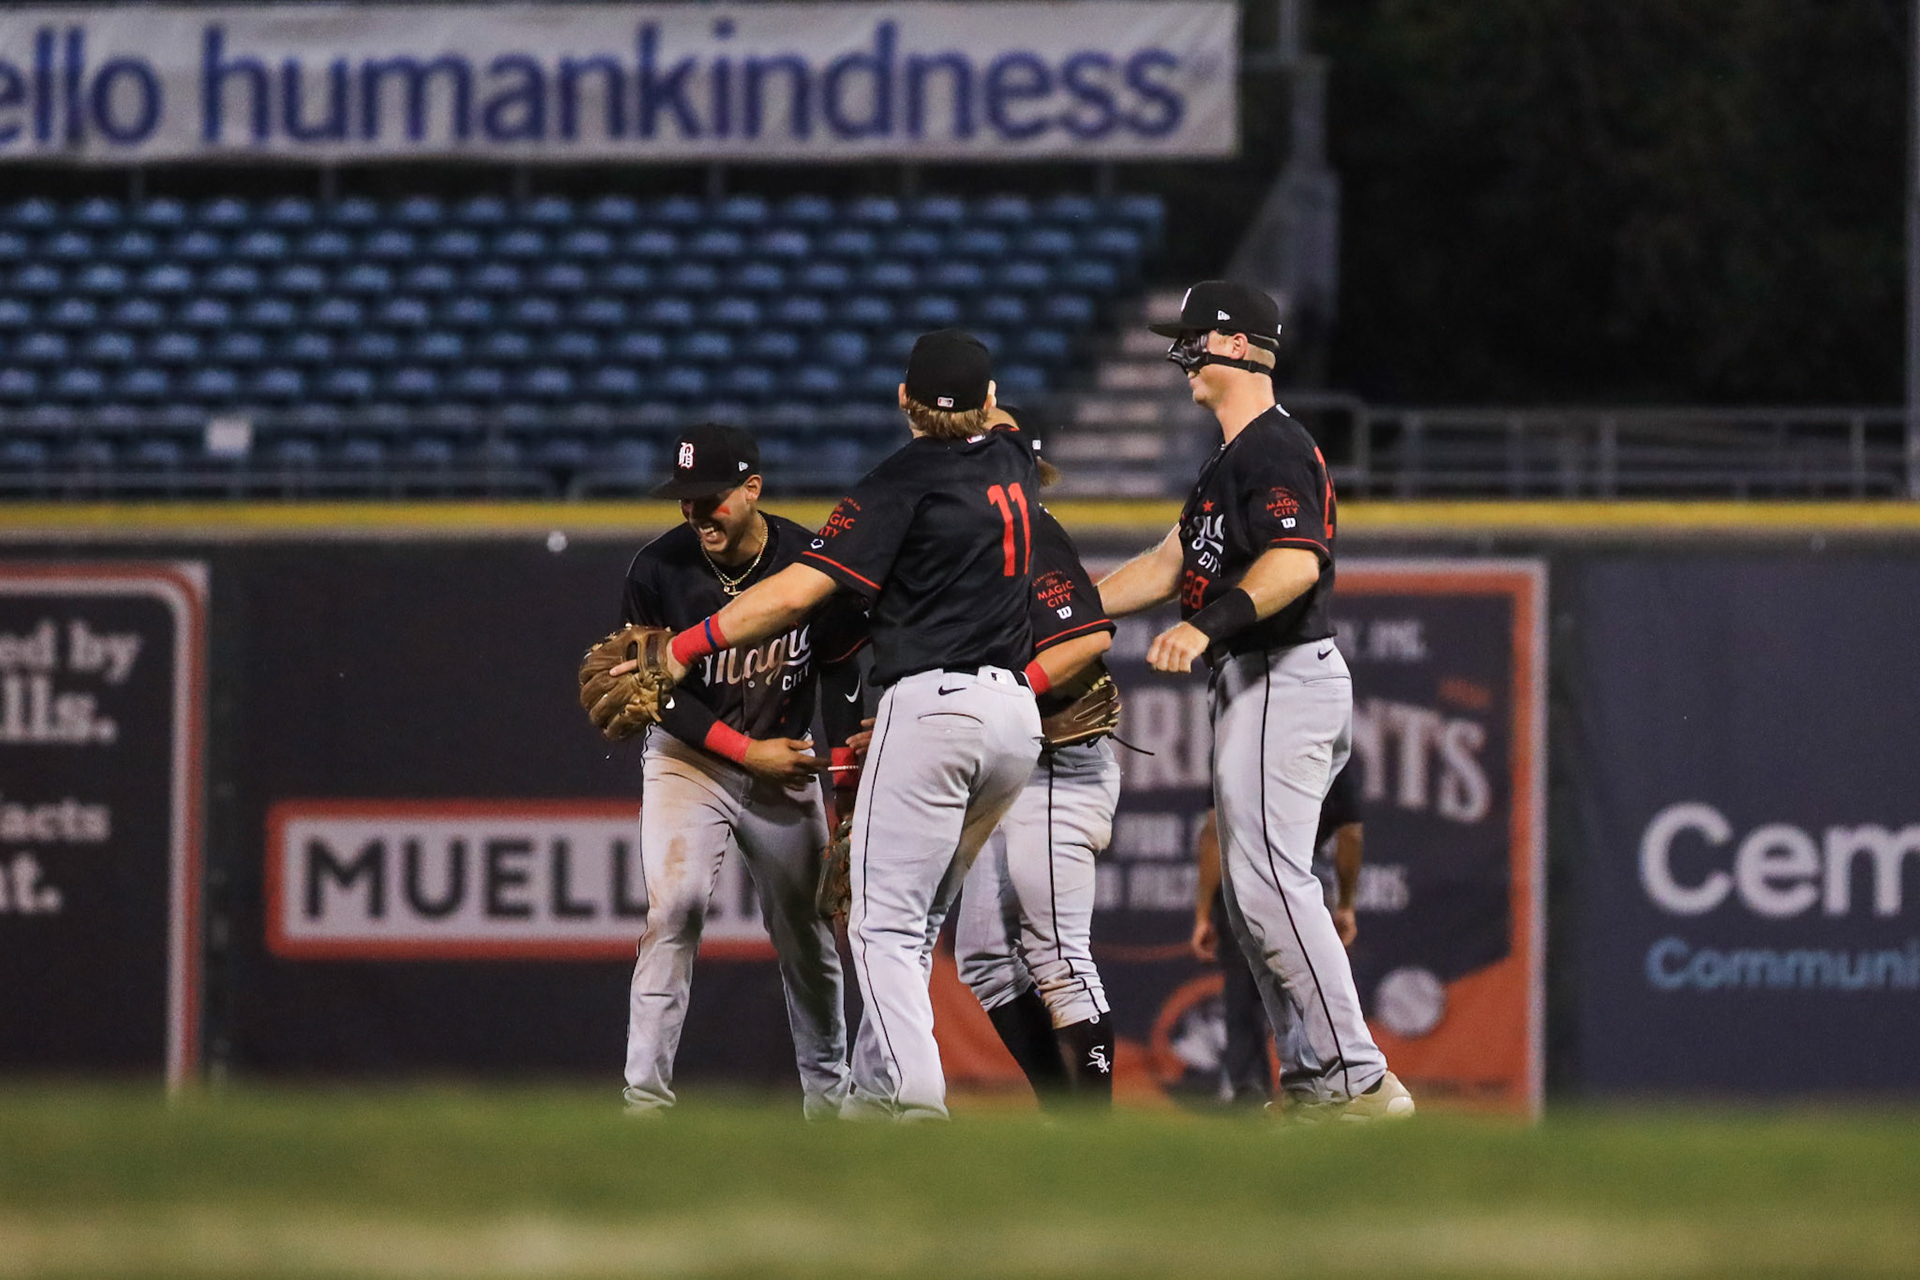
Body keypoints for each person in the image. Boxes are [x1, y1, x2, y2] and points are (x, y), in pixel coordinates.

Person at [648, 331, 1045, 1121]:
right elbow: (1000, 422)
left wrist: (685, 645)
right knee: (919, 922)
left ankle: (918, 1109)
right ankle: (866, 1109)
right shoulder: (1014, 458)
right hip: (1015, 720)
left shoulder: (898, 482)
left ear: (903, 400)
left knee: (880, 929)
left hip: (934, 706)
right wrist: (981, 409)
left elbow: (798, 594)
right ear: (991, 401)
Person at [1097, 281, 1412, 1119]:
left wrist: (1207, 627)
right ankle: (1316, 1082)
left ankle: (1357, 1078)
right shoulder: (1231, 458)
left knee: (1271, 884)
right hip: (1262, 681)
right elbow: (1167, 564)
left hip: (1280, 671)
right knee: (1254, 893)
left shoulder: (1273, 448)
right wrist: (1067, 612)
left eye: (1194, 339)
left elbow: (1296, 561)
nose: (1184, 356)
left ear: (1237, 346)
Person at [618, 422, 867, 1119]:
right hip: (689, 761)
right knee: (675, 909)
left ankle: (829, 1101)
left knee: (808, 934)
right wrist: (744, 750)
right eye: (685, 498)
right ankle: (644, 1103)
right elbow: (653, 694)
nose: (696, 512)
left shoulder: (809, 561)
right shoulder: (655, 570)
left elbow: (842, 671)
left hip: (782, 763)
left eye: (711, 498)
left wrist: (845, 794)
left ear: (752, 489)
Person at [953, 407, 1122, 1109]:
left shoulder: (1032, 532)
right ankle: (1063, 1118)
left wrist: (1003, 695)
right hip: (1012, 767)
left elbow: (1086, 637)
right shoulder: (980, 538)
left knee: (1058, 956)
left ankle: (1094, 1132)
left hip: (1059, 766)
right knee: (985, 956)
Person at [1192, 759, 1364, 1106]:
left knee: (1243, 1001)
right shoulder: (1325, 741)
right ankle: (1313, 1095)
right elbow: (1350, 834)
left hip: (1245, 877)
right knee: (1307, 996)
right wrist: (1346, 904)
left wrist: (1203, 913)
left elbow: (1214, 831)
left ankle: (1248, 1095)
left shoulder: (1236, 736)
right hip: (1304, 879)